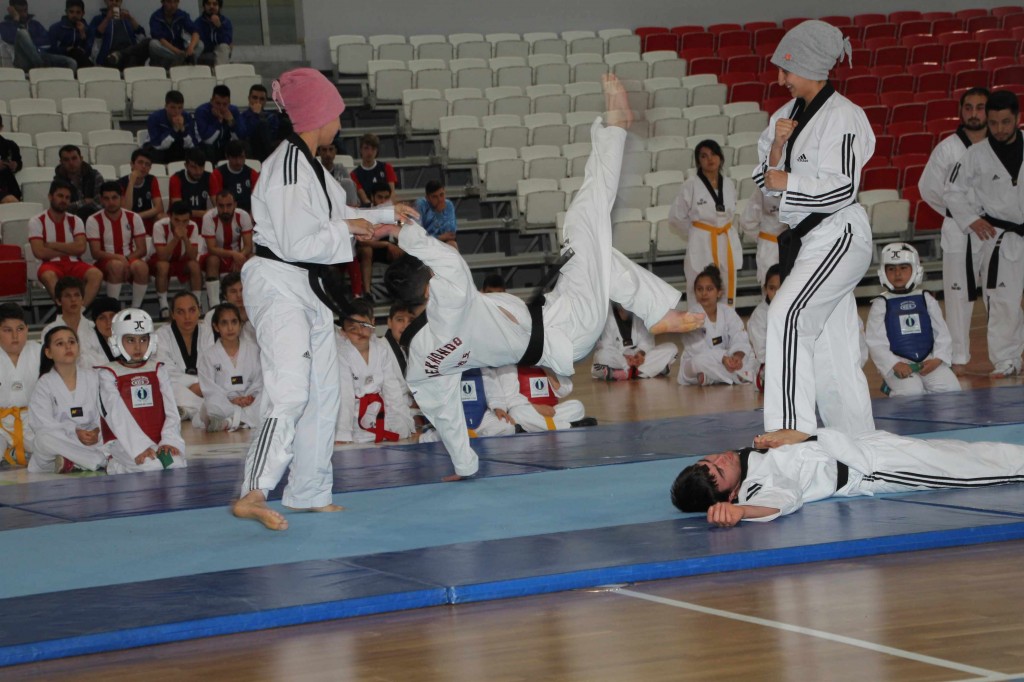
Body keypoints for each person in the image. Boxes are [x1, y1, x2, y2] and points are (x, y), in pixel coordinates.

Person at [381, 75, 704, 481]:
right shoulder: (451, 301)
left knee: (589, 251)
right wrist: (404, 233)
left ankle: (654, 308)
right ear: (429, 288)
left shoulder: (422, 358)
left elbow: (443, 412)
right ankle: (616, 127)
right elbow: (448, 260)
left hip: (557, 319)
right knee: (584, 221)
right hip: (565, 329)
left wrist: (464, 465)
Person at [231, 68, 410, 531]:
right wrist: (347, 228)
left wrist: (384, 215)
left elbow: (338, 213)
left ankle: (309, 491)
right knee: (290, 390)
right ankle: (253, 491)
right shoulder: (288, 167)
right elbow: (298, 240)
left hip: (307, 287)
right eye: (336, 112)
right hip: (279, 283)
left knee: (324, 392)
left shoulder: (312, 167)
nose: (340, 122)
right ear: (318, 114)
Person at [752, 20, 875, 446]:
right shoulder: (783, 117)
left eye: (786, 69)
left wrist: (788, 180)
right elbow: (763, 180)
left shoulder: (843, 116)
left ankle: (792, 425)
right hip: (808, 239)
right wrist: (776, 151)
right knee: (833, 351)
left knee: (786, 316)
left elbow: (844, 187)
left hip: (839, 232)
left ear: (810, 66)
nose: (780, 79)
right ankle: (859, 446)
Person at [670, 428, 1024, 526]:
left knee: (961, 450)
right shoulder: (756, 486)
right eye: (720, 471)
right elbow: (785, 500)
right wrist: (741, 512)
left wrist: (791, 437)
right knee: (968, 469)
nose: (721, 459)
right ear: (731, 494)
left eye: (710, 460)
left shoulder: (750, 454)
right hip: (871, 468)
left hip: (864, 443)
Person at [945, 90, 1024, 379]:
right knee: (1003, 302)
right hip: (1001, 236)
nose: (999, 129)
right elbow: (951, 191)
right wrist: (972, 219)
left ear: (1018, 118)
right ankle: (1007, 360)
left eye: (1005, 122)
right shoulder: (975, 155)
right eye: (993, 123)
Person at [917, 88, 989, 375]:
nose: (974, 113)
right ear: (961, 111)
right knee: (958, 295)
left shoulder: (1000, 146)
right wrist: (961, 214)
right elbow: (928, 189)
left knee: (999, 293)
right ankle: (958, 357)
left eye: (980, 107)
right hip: (959, 230)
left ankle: (1007, 354)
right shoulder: (948, 148)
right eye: (968, 107)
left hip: (996, 229)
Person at [98, 308, 186, 474]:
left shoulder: (158, 369)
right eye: (130, 340)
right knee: (150, 465)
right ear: (116, 341)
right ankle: (114, 464)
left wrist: (169, 441)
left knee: (176, 463)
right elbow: (116, 415)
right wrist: (139, 448)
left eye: (143, 339)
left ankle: (152, 452)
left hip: (157, 440)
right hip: (123, 442)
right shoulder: (108, 374)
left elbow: (171, 410)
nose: (138, 346)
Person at [866, 243, 961, 397]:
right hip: (898, 363)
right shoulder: (881, 303)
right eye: (891, 269)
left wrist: (938, 359)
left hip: (928, 360)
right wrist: (894, 364)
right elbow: (875, 341)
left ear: (916, 269)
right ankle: (891, 388)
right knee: (911, 392)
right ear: (883, 272)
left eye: (903, 268)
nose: (897, 274)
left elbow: (942, 333)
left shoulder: (926, 298)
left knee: (951, 389)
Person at [669, 139, 740, 306]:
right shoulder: (690, 185)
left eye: (714, 154)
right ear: (698, 161)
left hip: (726, 239)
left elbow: (731, 212)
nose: (710, 159)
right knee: (699, 284)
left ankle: (726, 321)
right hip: (701, 242)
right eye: (704, 156)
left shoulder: (729, 184)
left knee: (726, 283)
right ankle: (697, 322)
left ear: (720, 157)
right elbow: (675, 217)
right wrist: (696, 232)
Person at [27, 326, 107, 473]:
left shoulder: (94, 377)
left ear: (78, 347)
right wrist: (74, 431)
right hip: (64, 440)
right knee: (43, 438)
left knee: (116, 433)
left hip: (94, 440)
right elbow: (42, 424)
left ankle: (74, 462)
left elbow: (106, 412)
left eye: (71, 342)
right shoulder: (44, 384)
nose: (68, 346)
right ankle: (97, 460)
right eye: (60, 343)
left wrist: (97, 430)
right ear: (48, 352)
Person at [334, 300, 414, 444]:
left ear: (372, 322)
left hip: (382, 423)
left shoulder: (381, 352)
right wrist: (342, 435)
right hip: (354, 427)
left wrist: (402, 428)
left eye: (364, 325)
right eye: (352, 328)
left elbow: (393, 393)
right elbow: (345, 398)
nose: (360, 332)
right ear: (343, 332)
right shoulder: (341, 355)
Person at [677, 264, 755, 386]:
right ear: (695, 292)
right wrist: (723, 359)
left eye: (709, 289)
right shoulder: (691, 317)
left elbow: (739, 336)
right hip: (699, 364)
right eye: (699, 289)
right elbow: (699, 350)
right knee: (699, 362)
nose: (704, 293)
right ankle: (738, 376)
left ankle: (711, 378)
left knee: (750, 355)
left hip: (726, 360)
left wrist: (737, 357)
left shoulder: (728, 312)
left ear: (719, 293)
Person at [29, 179, 103, 306]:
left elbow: (81, 248)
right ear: (50, 197)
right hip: (49, 264)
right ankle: (64, 310)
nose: (64, 200)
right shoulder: (36, 221)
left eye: (67, 197)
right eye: (60, 196)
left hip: (74, 263)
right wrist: (70, 249)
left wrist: (53, 245)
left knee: (96, 274)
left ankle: (80, 310)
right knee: (48, 276)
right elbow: (39, 252)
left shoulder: (76, 220)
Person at [198, 302, 261, 432]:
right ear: (216, 327)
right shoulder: (208, 355)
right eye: (224, 323)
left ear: (240, 324)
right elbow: (209, 388)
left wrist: (250, 397)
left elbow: (259, 380)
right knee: (210, 406)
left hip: (249, 401)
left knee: (267, 398)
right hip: (225, 402)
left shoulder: (253, 350)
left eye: (234, 322)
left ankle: (230, 421)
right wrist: (232, 400)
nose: (230, 328)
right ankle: (241, 420)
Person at [87, 180, 149, 308]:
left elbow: (142, 249)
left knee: (142, 267)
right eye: (106, 198)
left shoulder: (134, 217)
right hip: (104, 262)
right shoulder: (93, 220)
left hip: (129, 258)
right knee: (116, 266)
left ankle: (135, 309)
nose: (111, 202)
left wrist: (126, 259)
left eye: (114, 198)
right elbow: (96, 253)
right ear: (101, 200)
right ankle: (112, 308)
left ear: (122, 198)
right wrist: (121, 259)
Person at [155, 291, 212, 421]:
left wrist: (201, 386)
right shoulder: (161, 335)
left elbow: (213, 366)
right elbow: (166, 372)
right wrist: (196, 385)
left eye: (192, 310)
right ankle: (205, 410)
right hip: (180, 388)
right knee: (167, 388)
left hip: (203, 387)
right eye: (180, 312)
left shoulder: (207, 332)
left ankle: (186, 411)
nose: (187, 317)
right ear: (173, 314)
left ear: (199, 310)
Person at [591, 302, 678, 381]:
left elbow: (647, 342)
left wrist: (640, 354)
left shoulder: (641, 312)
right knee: (602, 355)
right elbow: (606, 346)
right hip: (618, 358)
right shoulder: (606, 313)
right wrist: (625, 359)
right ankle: (645, 371)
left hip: (637, 359)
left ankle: (624, 373)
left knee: (671, 348)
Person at [493, 365, 593, 432]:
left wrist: (546, 370)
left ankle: (533, 427)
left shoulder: (548, 363)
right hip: (528, 410)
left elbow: (564, 391)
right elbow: (510, 397)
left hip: (552, 412)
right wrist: (537, 408)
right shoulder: (509, 366)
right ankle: (568, 426)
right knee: (516, 413)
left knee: (577, 406)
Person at [150, 201, 204, 319]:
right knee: (163, 266)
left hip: (181, 260)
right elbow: (162, 256)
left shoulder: (193, 226)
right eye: (177, 220)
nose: (181, 224)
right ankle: (163, 305)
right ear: (170, 216)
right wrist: (176, 238)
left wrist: (185, 238)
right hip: (159, 261)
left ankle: (197, 303)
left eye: (185, 221)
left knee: (195, 265)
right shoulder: (159, 226)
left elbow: (193, 256)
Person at [0, 303, 38, 467]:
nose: (15, 336)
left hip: (32, 422)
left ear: (27, 329)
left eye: (20, 329)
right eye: (7, 330)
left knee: (48, 447)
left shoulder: (40, 352)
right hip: (1, 426)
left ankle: (15, 452)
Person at [41, 276, 105, 369]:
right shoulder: (50, 330)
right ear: (58, 301)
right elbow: (49, 362)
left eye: (77, 295)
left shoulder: (94, 327)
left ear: (82, 299)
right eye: (68, 296)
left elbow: (105, 361)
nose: (73, 300)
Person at [201, 190, 252, 306]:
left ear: (235, 204)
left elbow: (248, 246)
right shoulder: (209, 217)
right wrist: (234, 255)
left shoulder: (243, 216)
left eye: (229, 205)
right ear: (216, 205)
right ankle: (214, 304)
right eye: (221, 206)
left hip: (236, 253)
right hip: (216, 255)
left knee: (252, 259)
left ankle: (247, 301)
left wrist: (240, 256)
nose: (225, 210)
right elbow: (212, 248)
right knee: (213, 260)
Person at [0, 0, 78, 71]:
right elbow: (11, 38)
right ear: (12, 10)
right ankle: (41, 69)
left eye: (25, 10)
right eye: (19, 11)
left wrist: (31, 44)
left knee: (72, 62)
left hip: (41, 55)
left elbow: (47, 42)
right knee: (22, 33)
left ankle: (43, 69)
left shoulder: (35, 24)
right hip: (22, 60)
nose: (24, 14)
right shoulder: (4, 25)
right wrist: (16, 21)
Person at [356, 182, 404, 296]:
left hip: (384, 247)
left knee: (402, 251)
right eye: (380, 197)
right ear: (372, 197)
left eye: (386, 198)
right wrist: (387, 244)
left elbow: (401, 232)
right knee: (367, 250)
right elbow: (362, 241)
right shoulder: (363, 211)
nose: (383, 201)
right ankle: (367, 293)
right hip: (366, 247)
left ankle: (399, 293)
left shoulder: (391, 212)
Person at [738, 186, 783, 286]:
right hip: (770, 246)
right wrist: (762, 238)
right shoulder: (763, 188)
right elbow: (746, 222)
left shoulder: (798, 184)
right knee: (770, 285)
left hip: (793, 246)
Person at [746, 263, 781, 392]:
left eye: (781, 288)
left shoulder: (794, 310)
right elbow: (762, 352)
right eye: (772, 288)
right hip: (767, 365)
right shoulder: (760, 314)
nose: (776, 293)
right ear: (765, 289)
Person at [89, 0, 150, 69]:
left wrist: (130, 18)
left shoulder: (127, 19)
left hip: (130, 54)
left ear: (121, 2)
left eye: (117, 1)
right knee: (127, 60)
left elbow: (142, 37)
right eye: (111, 0)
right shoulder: (98, 19)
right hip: (110, 57)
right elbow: (95, 39)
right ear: (105, 1)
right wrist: (107, 19)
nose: (114, 3)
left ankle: (121, 54)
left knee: (149, 42)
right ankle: (120, 55)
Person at [146, 91, 199, 166]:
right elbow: (157, 145)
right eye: (173, 107)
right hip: (158, 149)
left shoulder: (187, 117)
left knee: (196, 153)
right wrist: (174, 130)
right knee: (156, 154)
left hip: (179, 148)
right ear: (166, 106)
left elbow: (192, 144)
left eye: (180, 108)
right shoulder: (154, 118)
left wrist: (183, 130)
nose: (177, 111)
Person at [54, 145, 104, 222]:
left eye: (74, 158)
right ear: (61, 162)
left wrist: (74, 205)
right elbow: (60, 207)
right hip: (69, 222)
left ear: (81, 158)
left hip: (96, 221)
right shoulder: (57, 182)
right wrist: (85, 202)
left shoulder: (95, 176)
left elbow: (101, 203)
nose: (71, 163)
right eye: (66, 160)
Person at [195, 85, 246, 163]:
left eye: (225, 104)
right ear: (211, 101)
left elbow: (240, 137)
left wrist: (231, 121)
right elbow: (208, 140)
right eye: (218, 103)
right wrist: (219, 120)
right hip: (207, 148)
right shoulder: (202, 111)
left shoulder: (234, 110)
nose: (221, 107)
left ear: (229, 103)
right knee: (208, 149)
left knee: (243, 146)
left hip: (226, 146)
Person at [202, 271, 254, 342]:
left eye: (242, 290)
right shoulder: (212, 315)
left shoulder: (256, 312)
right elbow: (207, 344)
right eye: (233, 291)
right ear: (225, 296)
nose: (239, 295)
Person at [148, 0, 201, 68]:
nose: (172, 5)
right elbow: (161, 39)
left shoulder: (182, 15)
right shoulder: (156, 17)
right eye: (169, 2)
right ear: (163, 2)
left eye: (175, 2)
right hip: (166, 52)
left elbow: (195, 32)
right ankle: (184, 60)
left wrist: (191, 47)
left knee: (200, 44)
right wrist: (177, 52)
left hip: (181, 49)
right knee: (153, 44)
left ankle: (184, 60)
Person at [209, 140, 258, 214]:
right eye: (234, 158)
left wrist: (250, 216)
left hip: (249, 214)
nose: (238, 161)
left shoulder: (252, 174)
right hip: (226, 215)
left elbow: (257, 200)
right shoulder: (217, 174)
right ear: (227, 157)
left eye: (241, 157)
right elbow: (216, 203)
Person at [350, 132, 397, 206]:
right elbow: (364, 199)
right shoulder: (354, 174)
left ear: (377, 151)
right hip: (368, 209)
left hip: (387, 207)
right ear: (360, 150)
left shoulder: (387, 167)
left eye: (373, 149)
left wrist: (386, 207)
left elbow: (392, 194)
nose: (370, 152)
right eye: (366, 148)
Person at [238, 84, 280, 162]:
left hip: (266, 153)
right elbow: (244, 135)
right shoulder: (242, 117)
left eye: (262, 99)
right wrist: (255, 115)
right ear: (249, 98)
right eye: (255, 98)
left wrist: (260, 116)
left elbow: (271, 138)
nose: (258, 102)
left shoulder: (272, 117)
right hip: (249, 153)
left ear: (265, 101)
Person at [168, 147, 212, 222]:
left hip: (203, 219)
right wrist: (205, 213)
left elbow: (219, 205)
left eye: (201, 167)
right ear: (186, 165)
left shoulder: (210, 177)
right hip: (180, 220)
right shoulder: (176, 179)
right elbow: (179, 210)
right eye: (193, 167)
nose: (198, 171)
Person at [47, 0, 93, 69]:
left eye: (78, 12)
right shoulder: (55, 28)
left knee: (77, 53)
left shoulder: (87, 29)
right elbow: (52, 50)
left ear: (83, 13)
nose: (74, 15)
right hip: (61, 59)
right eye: (71, 12)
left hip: (80, 59)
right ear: (66, 12)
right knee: (74, 55)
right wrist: (66, 49)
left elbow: (88, 52)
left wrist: (82, 34)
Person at [79, 295, 121, 367]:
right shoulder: (87, 347)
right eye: (102, 318)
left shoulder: (133, 340)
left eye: (112, 316)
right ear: (95, 322)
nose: (108, 322)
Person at [414, 181, 458, 247]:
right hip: (424, 245)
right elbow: (418, 236)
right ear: (427, 198)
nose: (440, 199)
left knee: (452, 244)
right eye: (435, 197)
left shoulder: (448, 205)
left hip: (439, 241)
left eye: (441, 195)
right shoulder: (420, 205)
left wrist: (439, 213)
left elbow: (451, 234)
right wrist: (440, 237)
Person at [317, 141, 358, 206]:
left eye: (331, 149)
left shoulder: (341, 169)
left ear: (335, 151)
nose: (328, 154)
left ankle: (352, 210)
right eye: (324, 150)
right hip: (322, 204)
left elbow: (351, 190)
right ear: (319, 152)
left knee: (348, 182)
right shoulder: (315, 170)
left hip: (340, 204)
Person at [194, 0, 230, 66]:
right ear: (204, 6)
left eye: (215, 4)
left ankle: (220, 71)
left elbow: (227, 41)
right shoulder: (198, 22)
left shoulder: (225, 22)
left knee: (224, 47)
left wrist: (219, 26)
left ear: (219, 7)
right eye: (208, 4)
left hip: (219, 51)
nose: (211, 6)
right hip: (203, 51)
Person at [0, 114, 22, 204]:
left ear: (1, 127)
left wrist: (15, 165)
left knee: (11, 199)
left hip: (9, 185)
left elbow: (18, 162)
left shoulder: (10, 145)